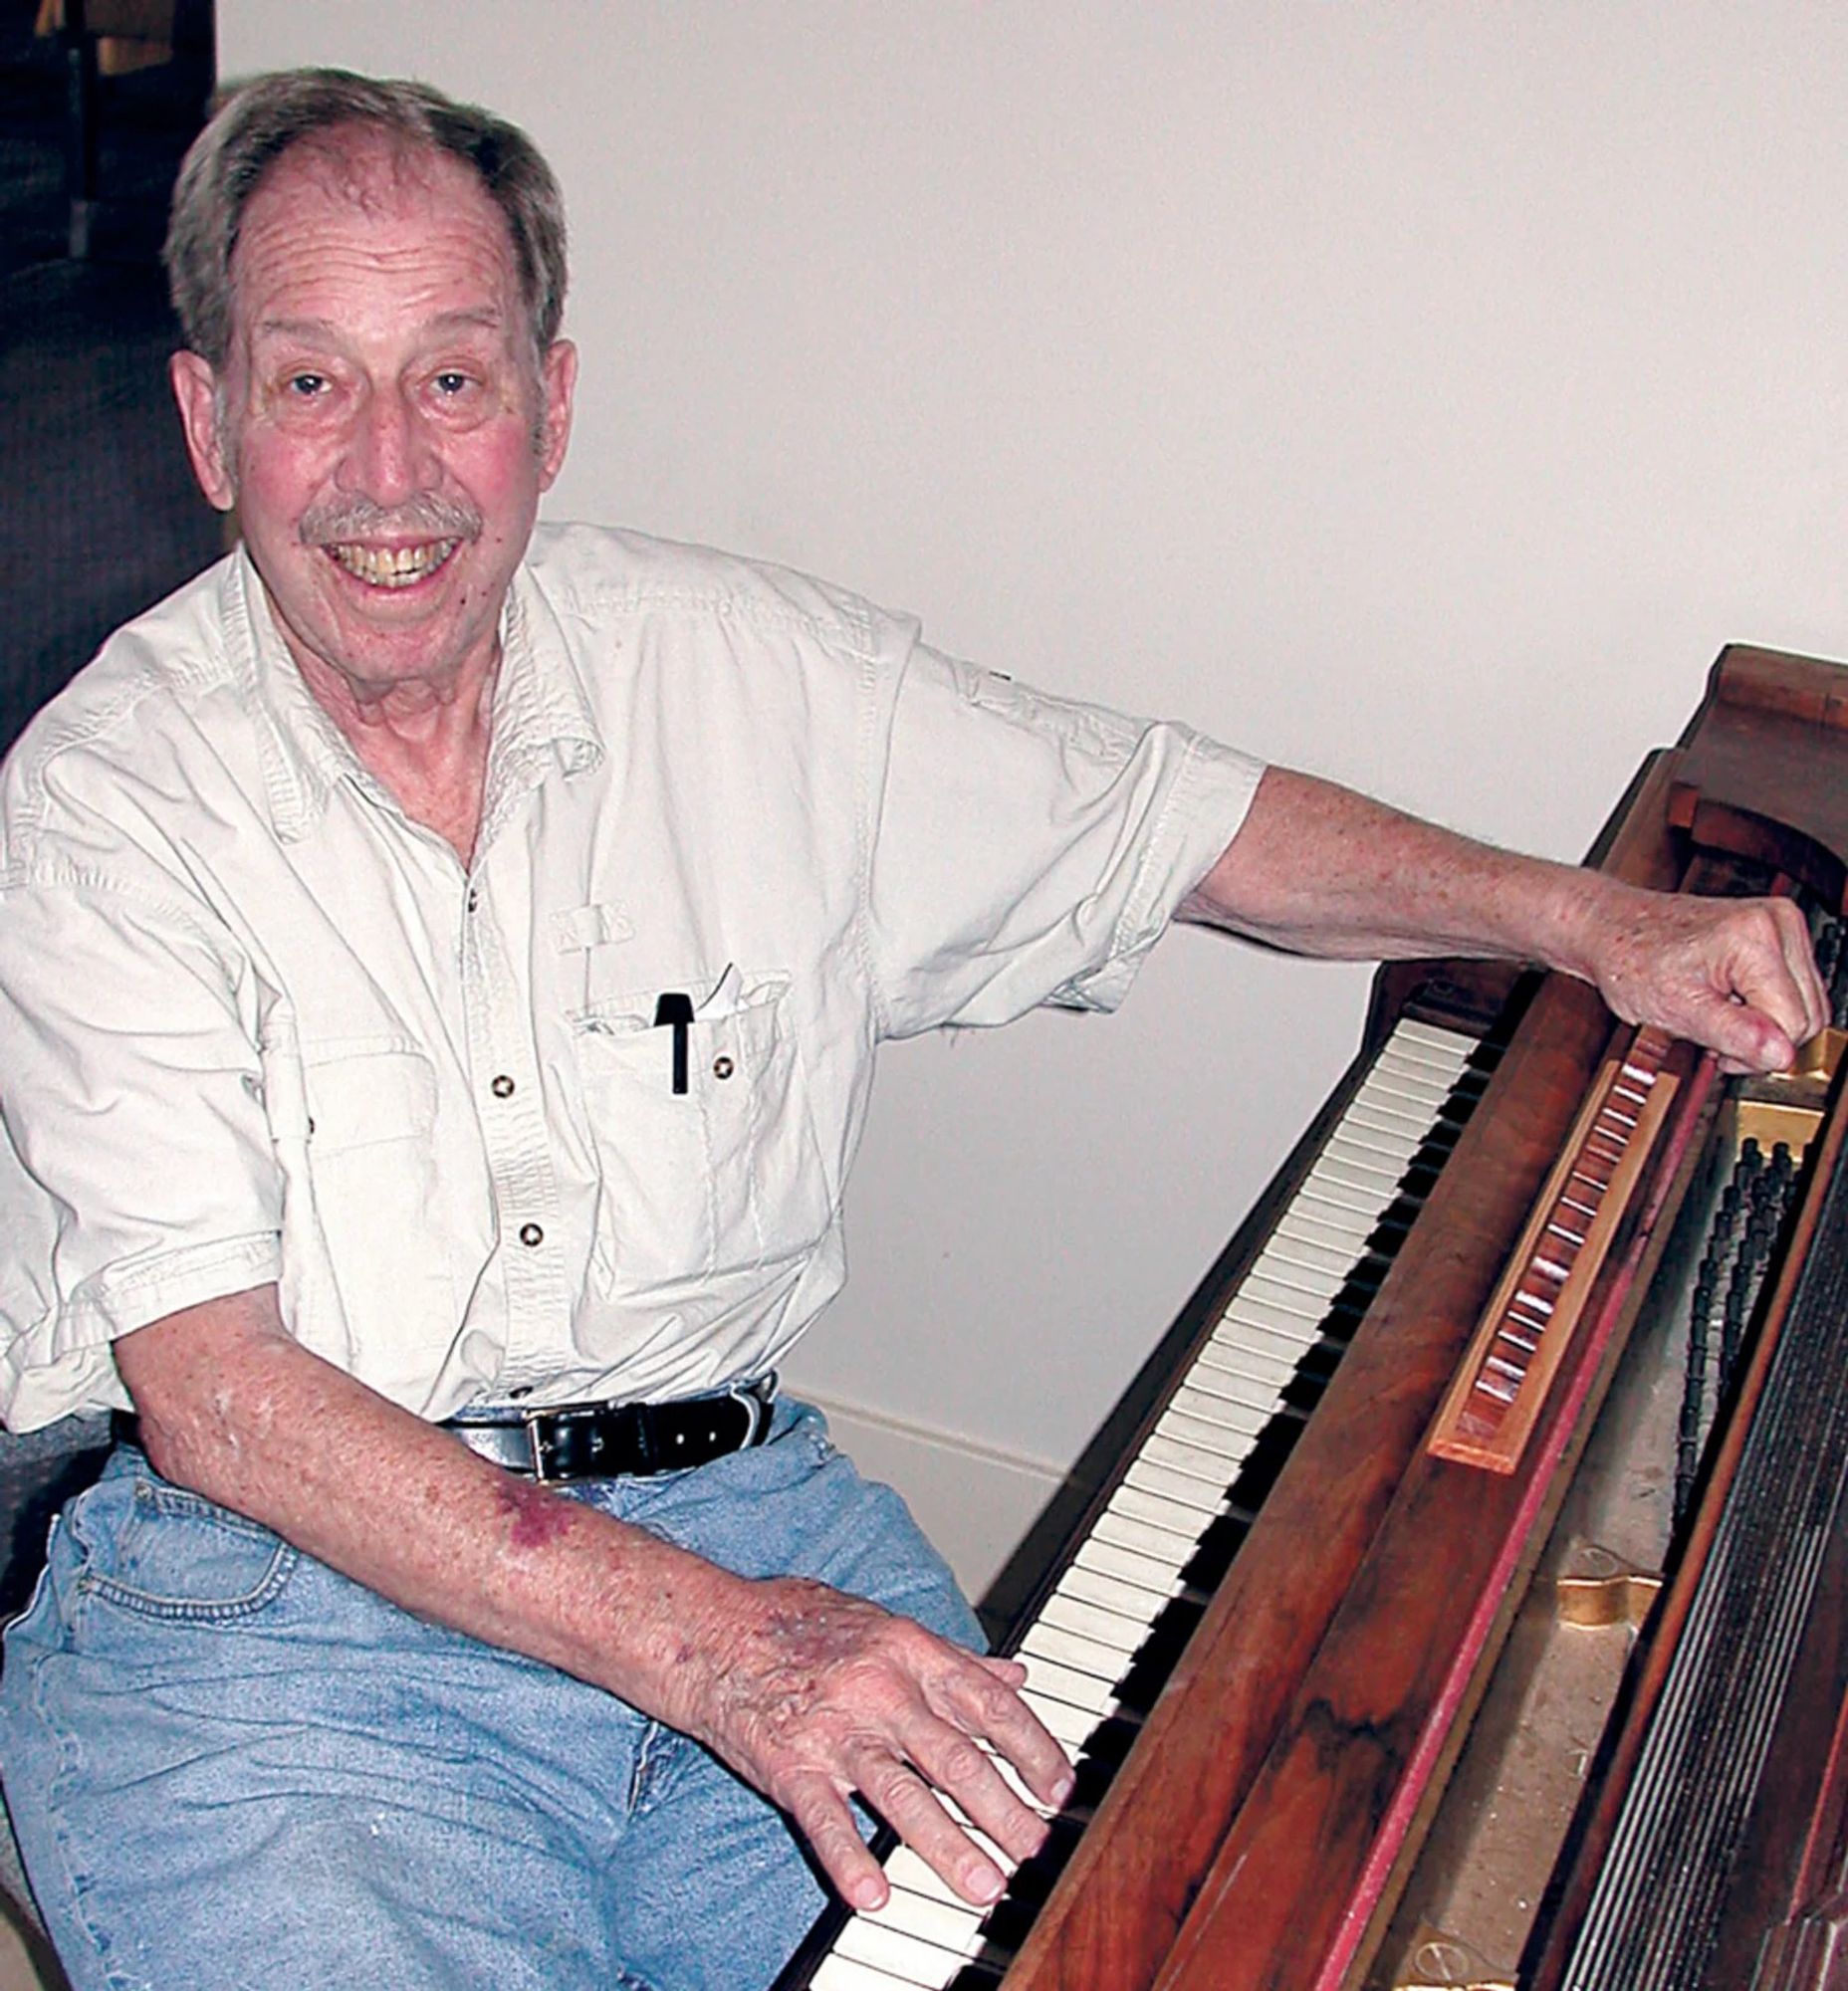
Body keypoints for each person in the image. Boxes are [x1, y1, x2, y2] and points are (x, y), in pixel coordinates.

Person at [0, 67, 1824, 1991]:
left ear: (550, 402)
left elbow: (1176, 823)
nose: (389, 470)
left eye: (450, 377)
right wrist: (720, 1647)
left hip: (745, 1508)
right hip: (282, 1639)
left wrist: (1591, 919)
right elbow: (215, 1397)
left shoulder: (750, 674)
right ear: (209, 424)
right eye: (309, 383)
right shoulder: (104, 801)